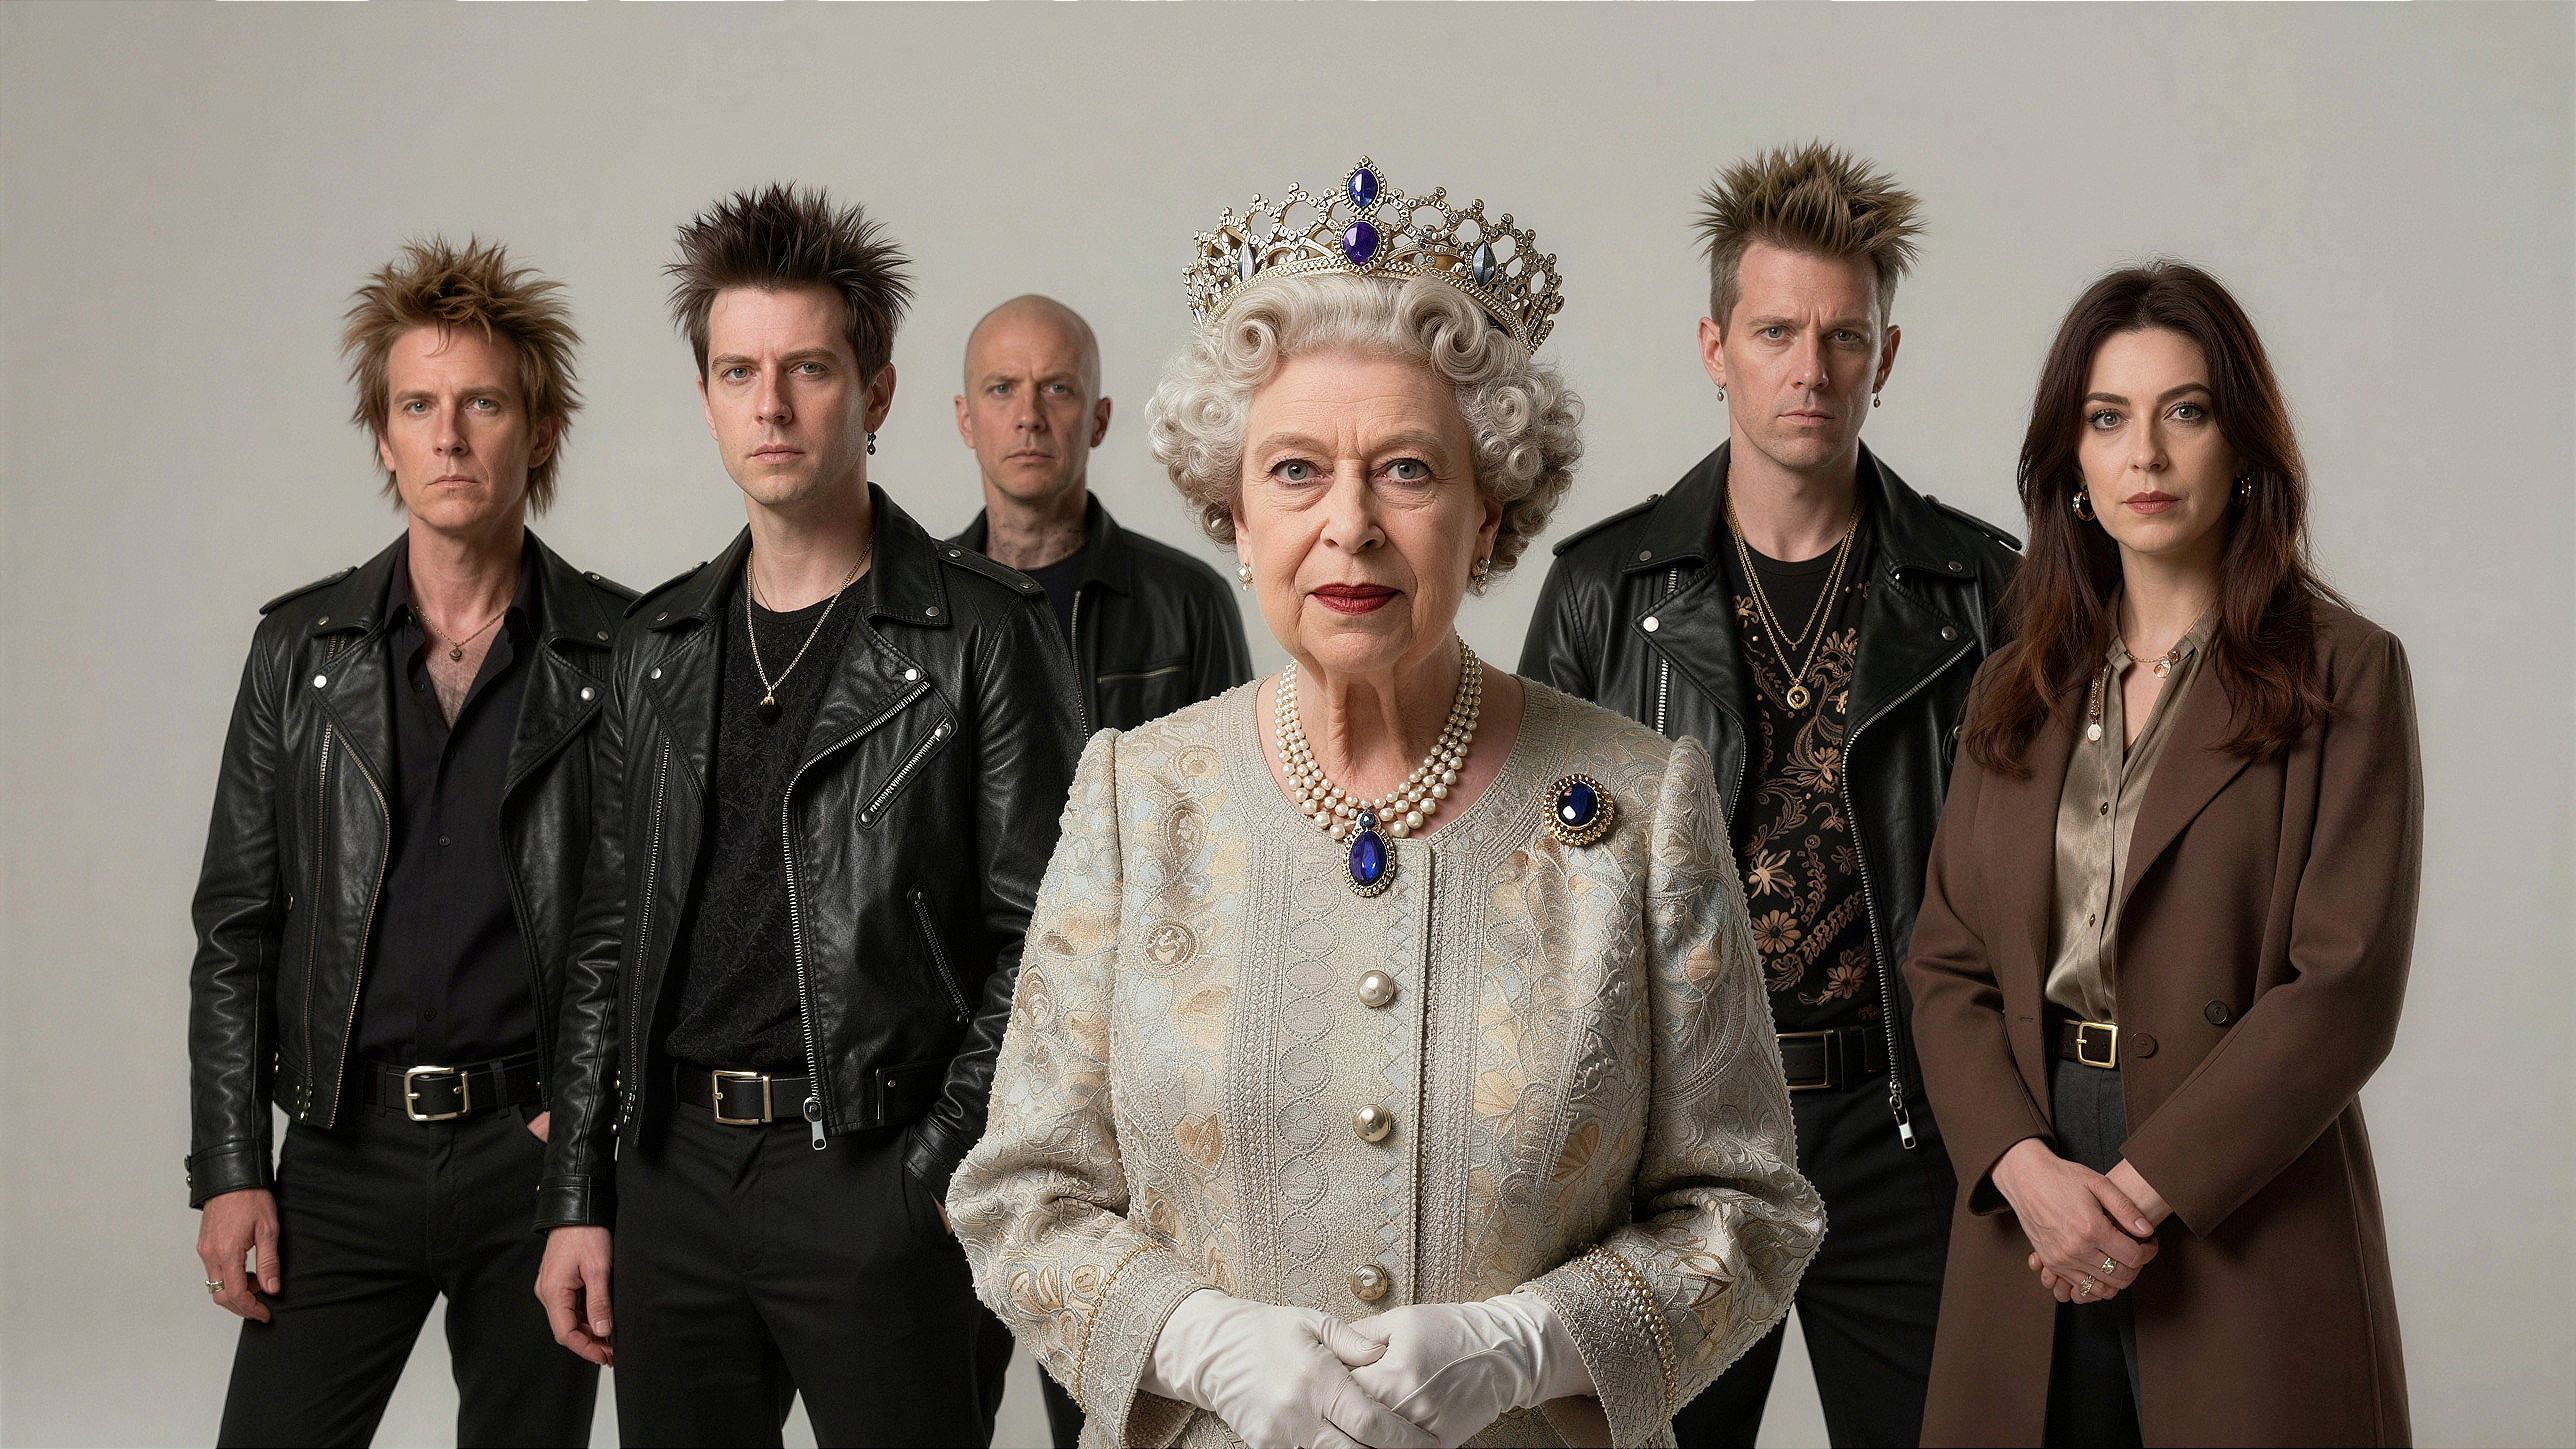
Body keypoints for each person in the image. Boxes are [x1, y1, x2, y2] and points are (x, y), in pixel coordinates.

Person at [950, 158, 1822, 1449]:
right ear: (1233, 517)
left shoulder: (1643, 803)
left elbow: (1749, 1212)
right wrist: (1202, 1343)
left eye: (1408, 472)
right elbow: (1021, 1196)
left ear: (1490, 516)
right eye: (1296, 471)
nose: (1349, 526)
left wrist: (1527, 1346)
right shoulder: (1140, 798)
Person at [530, 185, 1082, 1447]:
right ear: (708, 397)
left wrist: (930, 1180)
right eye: (737, 372)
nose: (769, 406)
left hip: (869, 1176)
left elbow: (1049, 942)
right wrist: (579, 1195)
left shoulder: (980, 634)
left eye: (807, 370)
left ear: (875, 395)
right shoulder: (656, 643)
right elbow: (607, 933)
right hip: (668, 1181)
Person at [1522, 142, 2018, 1447]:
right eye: (1778, 331)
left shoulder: (1980, 593)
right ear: (1715, 344)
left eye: (1843, 338)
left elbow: (2048, 885)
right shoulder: (1603, 589)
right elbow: (1522, 894)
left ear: (1885, 357)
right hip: (1676, 1135)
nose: (1811, 368)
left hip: (1905, 1129)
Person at [1904, 261, 2419, 1446]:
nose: (2144, 454)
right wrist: (2025, 1173)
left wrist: (2136, 1196)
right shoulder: (2013, 687)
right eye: (2105, 419)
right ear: (2070, 466)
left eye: (2182, 412)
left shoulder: (2342, 672)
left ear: (2239, 445)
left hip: (2231, 1188)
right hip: (2027, 1196)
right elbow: (1944, 965)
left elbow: (2343, 989)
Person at [187, 237, 621, 1445]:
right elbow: (234, 928)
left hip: (532, 1156)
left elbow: (653, 927)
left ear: (538, 431)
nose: (448, 436)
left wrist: (585, 1137)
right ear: (382, 437)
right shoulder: (298, 654)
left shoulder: (624, 652)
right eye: (417, 406)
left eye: (482, 403)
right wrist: (231, 1166)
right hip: (342, 1148)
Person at [952, 293, 1252, 744]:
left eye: (1057, 388)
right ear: (966, 420)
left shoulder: (1189, 602)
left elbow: (1232, 792)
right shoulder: (920, 601)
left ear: (1098, 419)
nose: (1029, 417)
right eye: (1001, 388)